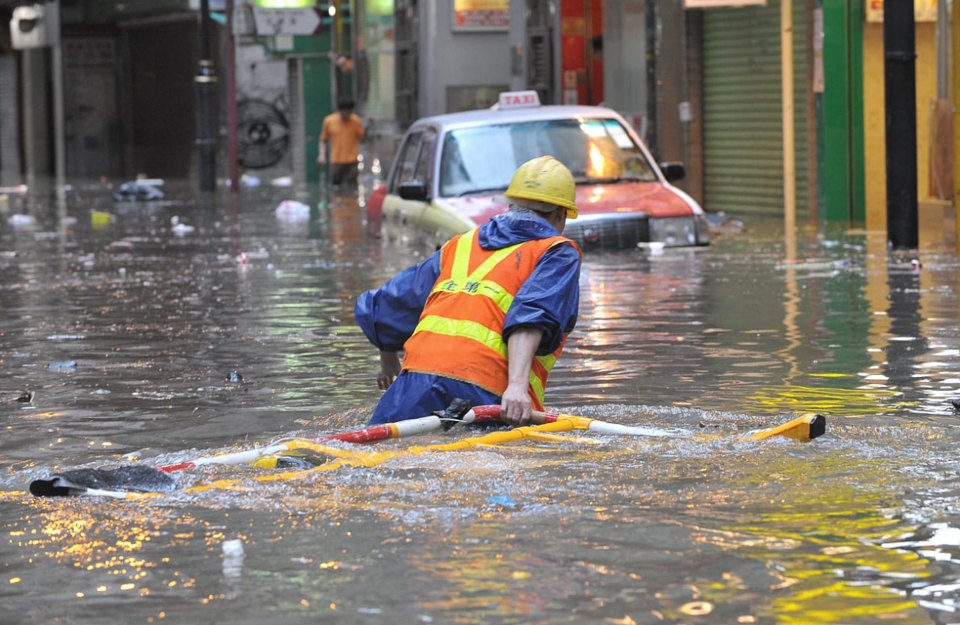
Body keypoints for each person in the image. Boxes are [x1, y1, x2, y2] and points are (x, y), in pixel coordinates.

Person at [354, 155, 582, 426]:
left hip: (413, 385)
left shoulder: (459, 244)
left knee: (369, 456)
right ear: (559, 214)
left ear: (511, 205)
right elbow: (533, 315)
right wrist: (518, 387)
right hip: (483, 389)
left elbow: (392, 302)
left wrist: (388, 356)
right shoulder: (557, 251)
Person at [317, 98, 367, 187]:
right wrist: (322, 155)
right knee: (336, 186)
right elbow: (323, 140)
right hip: (336, 161)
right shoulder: (329, 121)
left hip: (353, 161)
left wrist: (367, 128)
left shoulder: (355, 120)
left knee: (352, 186)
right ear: (339, 111)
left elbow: (362, 139)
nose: (347, 115)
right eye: (345, 112)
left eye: (349, 112)